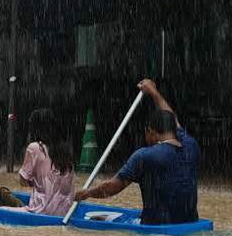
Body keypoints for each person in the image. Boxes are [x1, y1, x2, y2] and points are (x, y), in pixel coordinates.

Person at [76, 79, 200, 224]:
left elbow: (112, 188)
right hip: (190, 223)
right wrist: (154, 93)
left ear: (151, 132)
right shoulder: (191, 146)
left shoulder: (145, 156)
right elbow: (172, 119)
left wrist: (86, 193)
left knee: (99, 219)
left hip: (157, 226)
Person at [1, 108, 75, 216]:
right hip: (65, 214)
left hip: (40, 211)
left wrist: (34, 181)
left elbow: (23, 180)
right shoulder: (66, 151)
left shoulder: (34, 148)